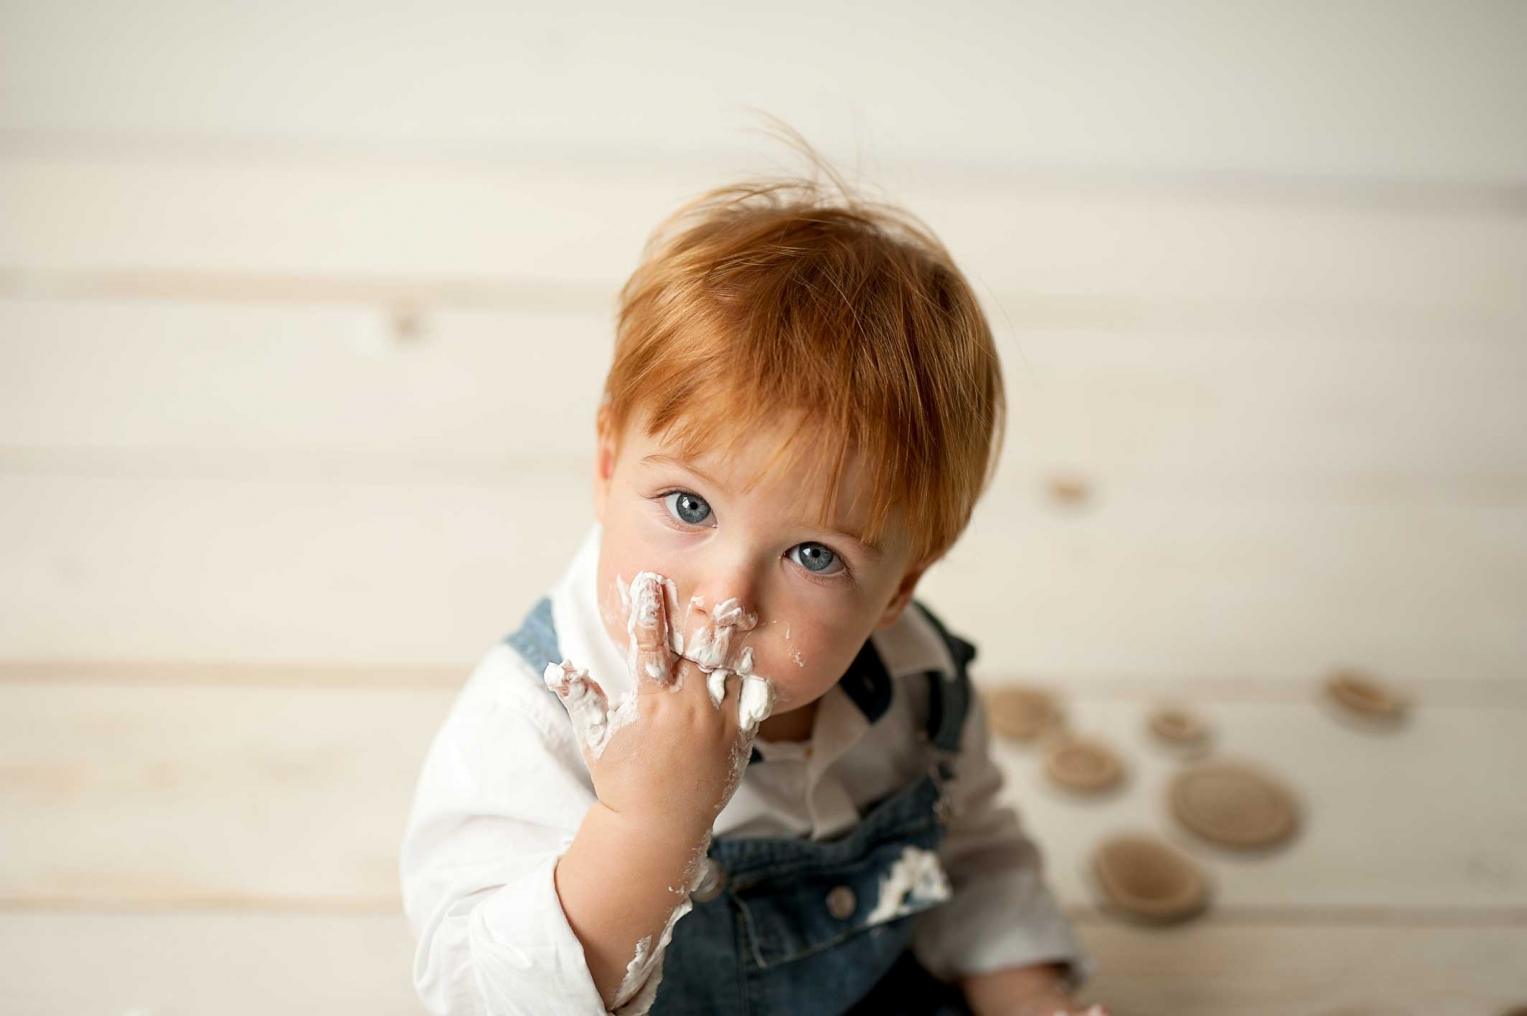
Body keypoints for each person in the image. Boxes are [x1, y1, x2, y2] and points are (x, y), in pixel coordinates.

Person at [400, 152, 1107, 1016]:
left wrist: (1024, 988)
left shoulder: (921, 692)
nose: (725, 600)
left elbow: (974, 857)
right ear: (608, 464)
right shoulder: (533, 720)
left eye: (814, 555)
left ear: (898, 589)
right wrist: (646, 830)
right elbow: (480, 996)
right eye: (688, 504)